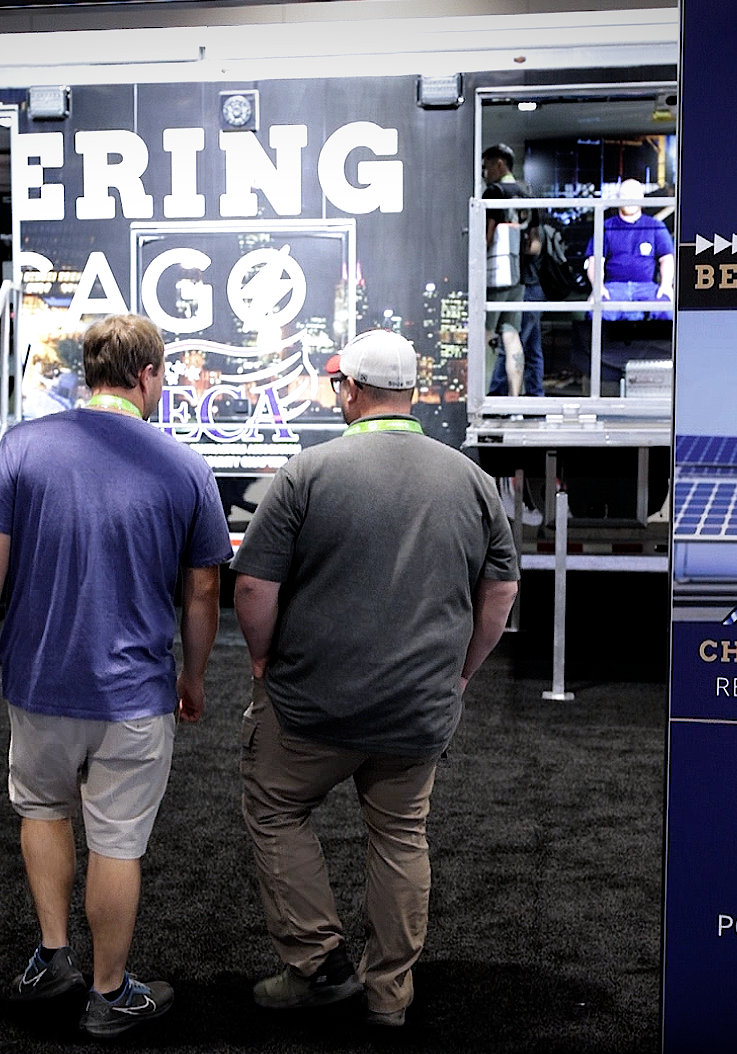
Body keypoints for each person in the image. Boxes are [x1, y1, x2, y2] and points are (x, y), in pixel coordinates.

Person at [0, 314, 230, 1038]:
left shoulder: (22, 447)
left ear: (88, 371)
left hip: (38, 682)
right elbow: (203, 591)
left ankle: (53, 957)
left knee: (42, 810)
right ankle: (109, 992)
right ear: (147, 376)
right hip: (135, 693)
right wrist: (194, 679)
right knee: (117, 841)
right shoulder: (185, 466)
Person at [231, 328, 520, 1028]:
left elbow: (253, 587)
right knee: (400, 835)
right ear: (411, 393)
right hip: (417, 709)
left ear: (351, 391)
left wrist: (262, 660)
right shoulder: (471, 480)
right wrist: (462, 672)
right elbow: (501, 593)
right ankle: (390, 993)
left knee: (275, 807)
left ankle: (317, 964)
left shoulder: (306, 472)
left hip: (311, 705)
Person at [481, 143, 542, 397]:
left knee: (484, 335)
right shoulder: (526, 193)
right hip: (519, 278)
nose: (484, 174)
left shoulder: (494, 192)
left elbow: (487, 236)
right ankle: (514, 401)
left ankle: (480, 397)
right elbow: (535, 244)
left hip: (495, 275)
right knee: (511, 334)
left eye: (486, 167)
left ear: (499, 164)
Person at [584, 178, 675, 323]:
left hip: (647, 287)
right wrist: (598, 287)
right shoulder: (605, 227)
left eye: (634, 195)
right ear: (618, 198)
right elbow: (595, 261)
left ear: (642, 198)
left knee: (667, 312)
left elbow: (667, 259)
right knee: (596, 313)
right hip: (614, 288)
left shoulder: (655, 226)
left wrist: (666, 286)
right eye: (625, 195)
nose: (629, 200)